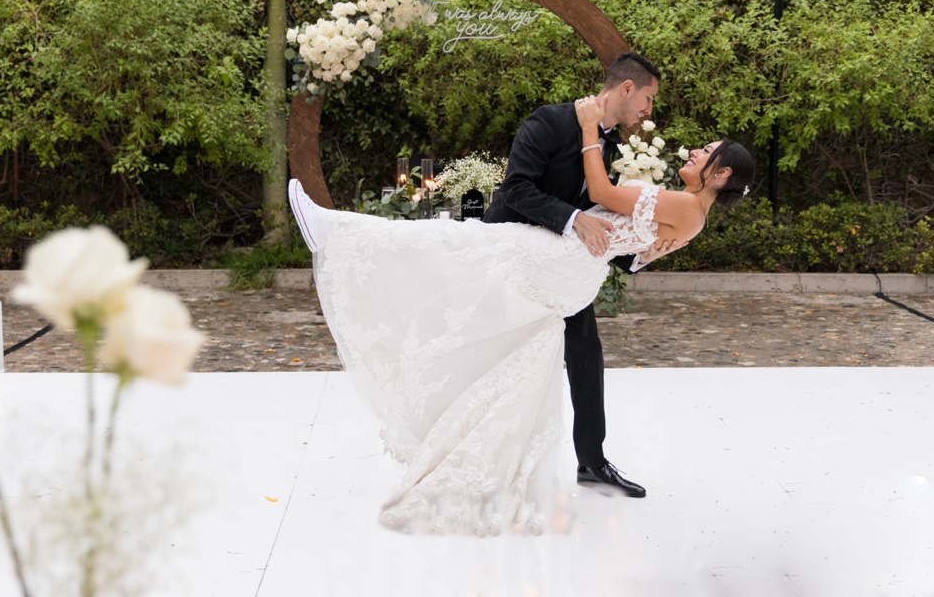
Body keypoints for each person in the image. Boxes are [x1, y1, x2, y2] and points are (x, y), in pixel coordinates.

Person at [288, 116, 753, 537]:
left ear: (722, 172)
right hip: (577, 268)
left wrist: (590, 131)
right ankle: (491, 453)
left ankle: (337, 233)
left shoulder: (687, 207)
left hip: (564, 259)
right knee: (495, 323)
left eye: (705, 152)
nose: (693, 152)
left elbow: (601, 195)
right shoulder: (691, 214)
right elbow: (634, 259)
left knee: (457, 240)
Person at [482, 51, 664, 499]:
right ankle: (488, 462)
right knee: (499, 363)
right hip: (510, 260)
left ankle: (592, 462)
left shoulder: (617, 151)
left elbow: (605, 218)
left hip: (559, 270)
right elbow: (516, 189)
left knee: (586, 354)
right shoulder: (549, 122)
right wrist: (572, 219)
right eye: (647, 98)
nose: (648, 112)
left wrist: (641, 255)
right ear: (625, 89)